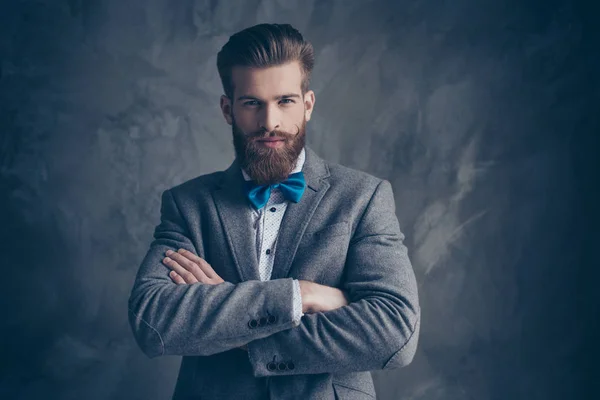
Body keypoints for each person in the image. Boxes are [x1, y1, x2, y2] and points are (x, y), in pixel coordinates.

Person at [128, 23, 420, 400]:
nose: (270, 122)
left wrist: (232, 321)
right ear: (227, 109)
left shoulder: (364, 197)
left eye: (285, 101)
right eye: (252, 103)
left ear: (308, 104)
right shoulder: (188, 204)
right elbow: (154, 320)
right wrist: (301, 295)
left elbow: (394, 331)